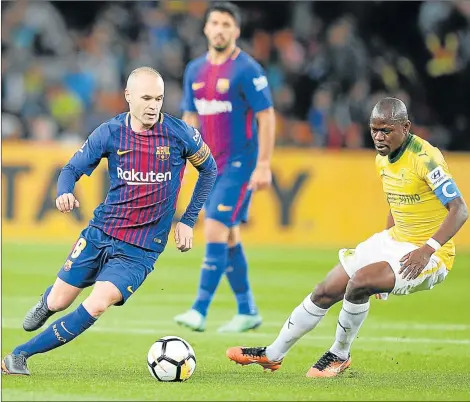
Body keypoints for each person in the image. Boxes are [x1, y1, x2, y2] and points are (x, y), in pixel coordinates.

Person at [226, 97, 468, 377]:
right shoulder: (382, 158)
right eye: (374, 130)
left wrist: (427, 250)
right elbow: (398, 204)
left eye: (386, 130)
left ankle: (339, 355)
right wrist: (385, 255)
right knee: (325, 290)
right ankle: (272, 354)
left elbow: (459, 210)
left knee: (359, 283)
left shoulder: (426, 158)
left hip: (431, 254)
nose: (378, 136)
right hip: (395, 240)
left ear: (406, 127)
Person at [1, 67, 217, 376]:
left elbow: (209, 169)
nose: (153, 105)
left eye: (159, 98)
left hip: (140, 249)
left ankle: (19, 355)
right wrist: (64, 192)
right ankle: (48, 302)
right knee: (61, 299)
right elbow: (71, 169)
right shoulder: (110, 132)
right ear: (128, 96)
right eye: (146, 97)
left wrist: (188, 220)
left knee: (98, 303)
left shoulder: (180, 133)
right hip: (101, 232)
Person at [174, 2, 276, 333]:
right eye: (215, 22)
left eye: (226, 24)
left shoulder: (247, 69)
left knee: (215, 223)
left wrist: (263, 164)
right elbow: (190, 117)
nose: (219, 28)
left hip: (240, 162)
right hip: (209, 163)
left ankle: (199, 309)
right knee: (229, 232)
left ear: (237, 31)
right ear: (205, 28)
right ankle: (247, 309)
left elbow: (267, 116)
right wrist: (183, 160)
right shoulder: (194, 70)